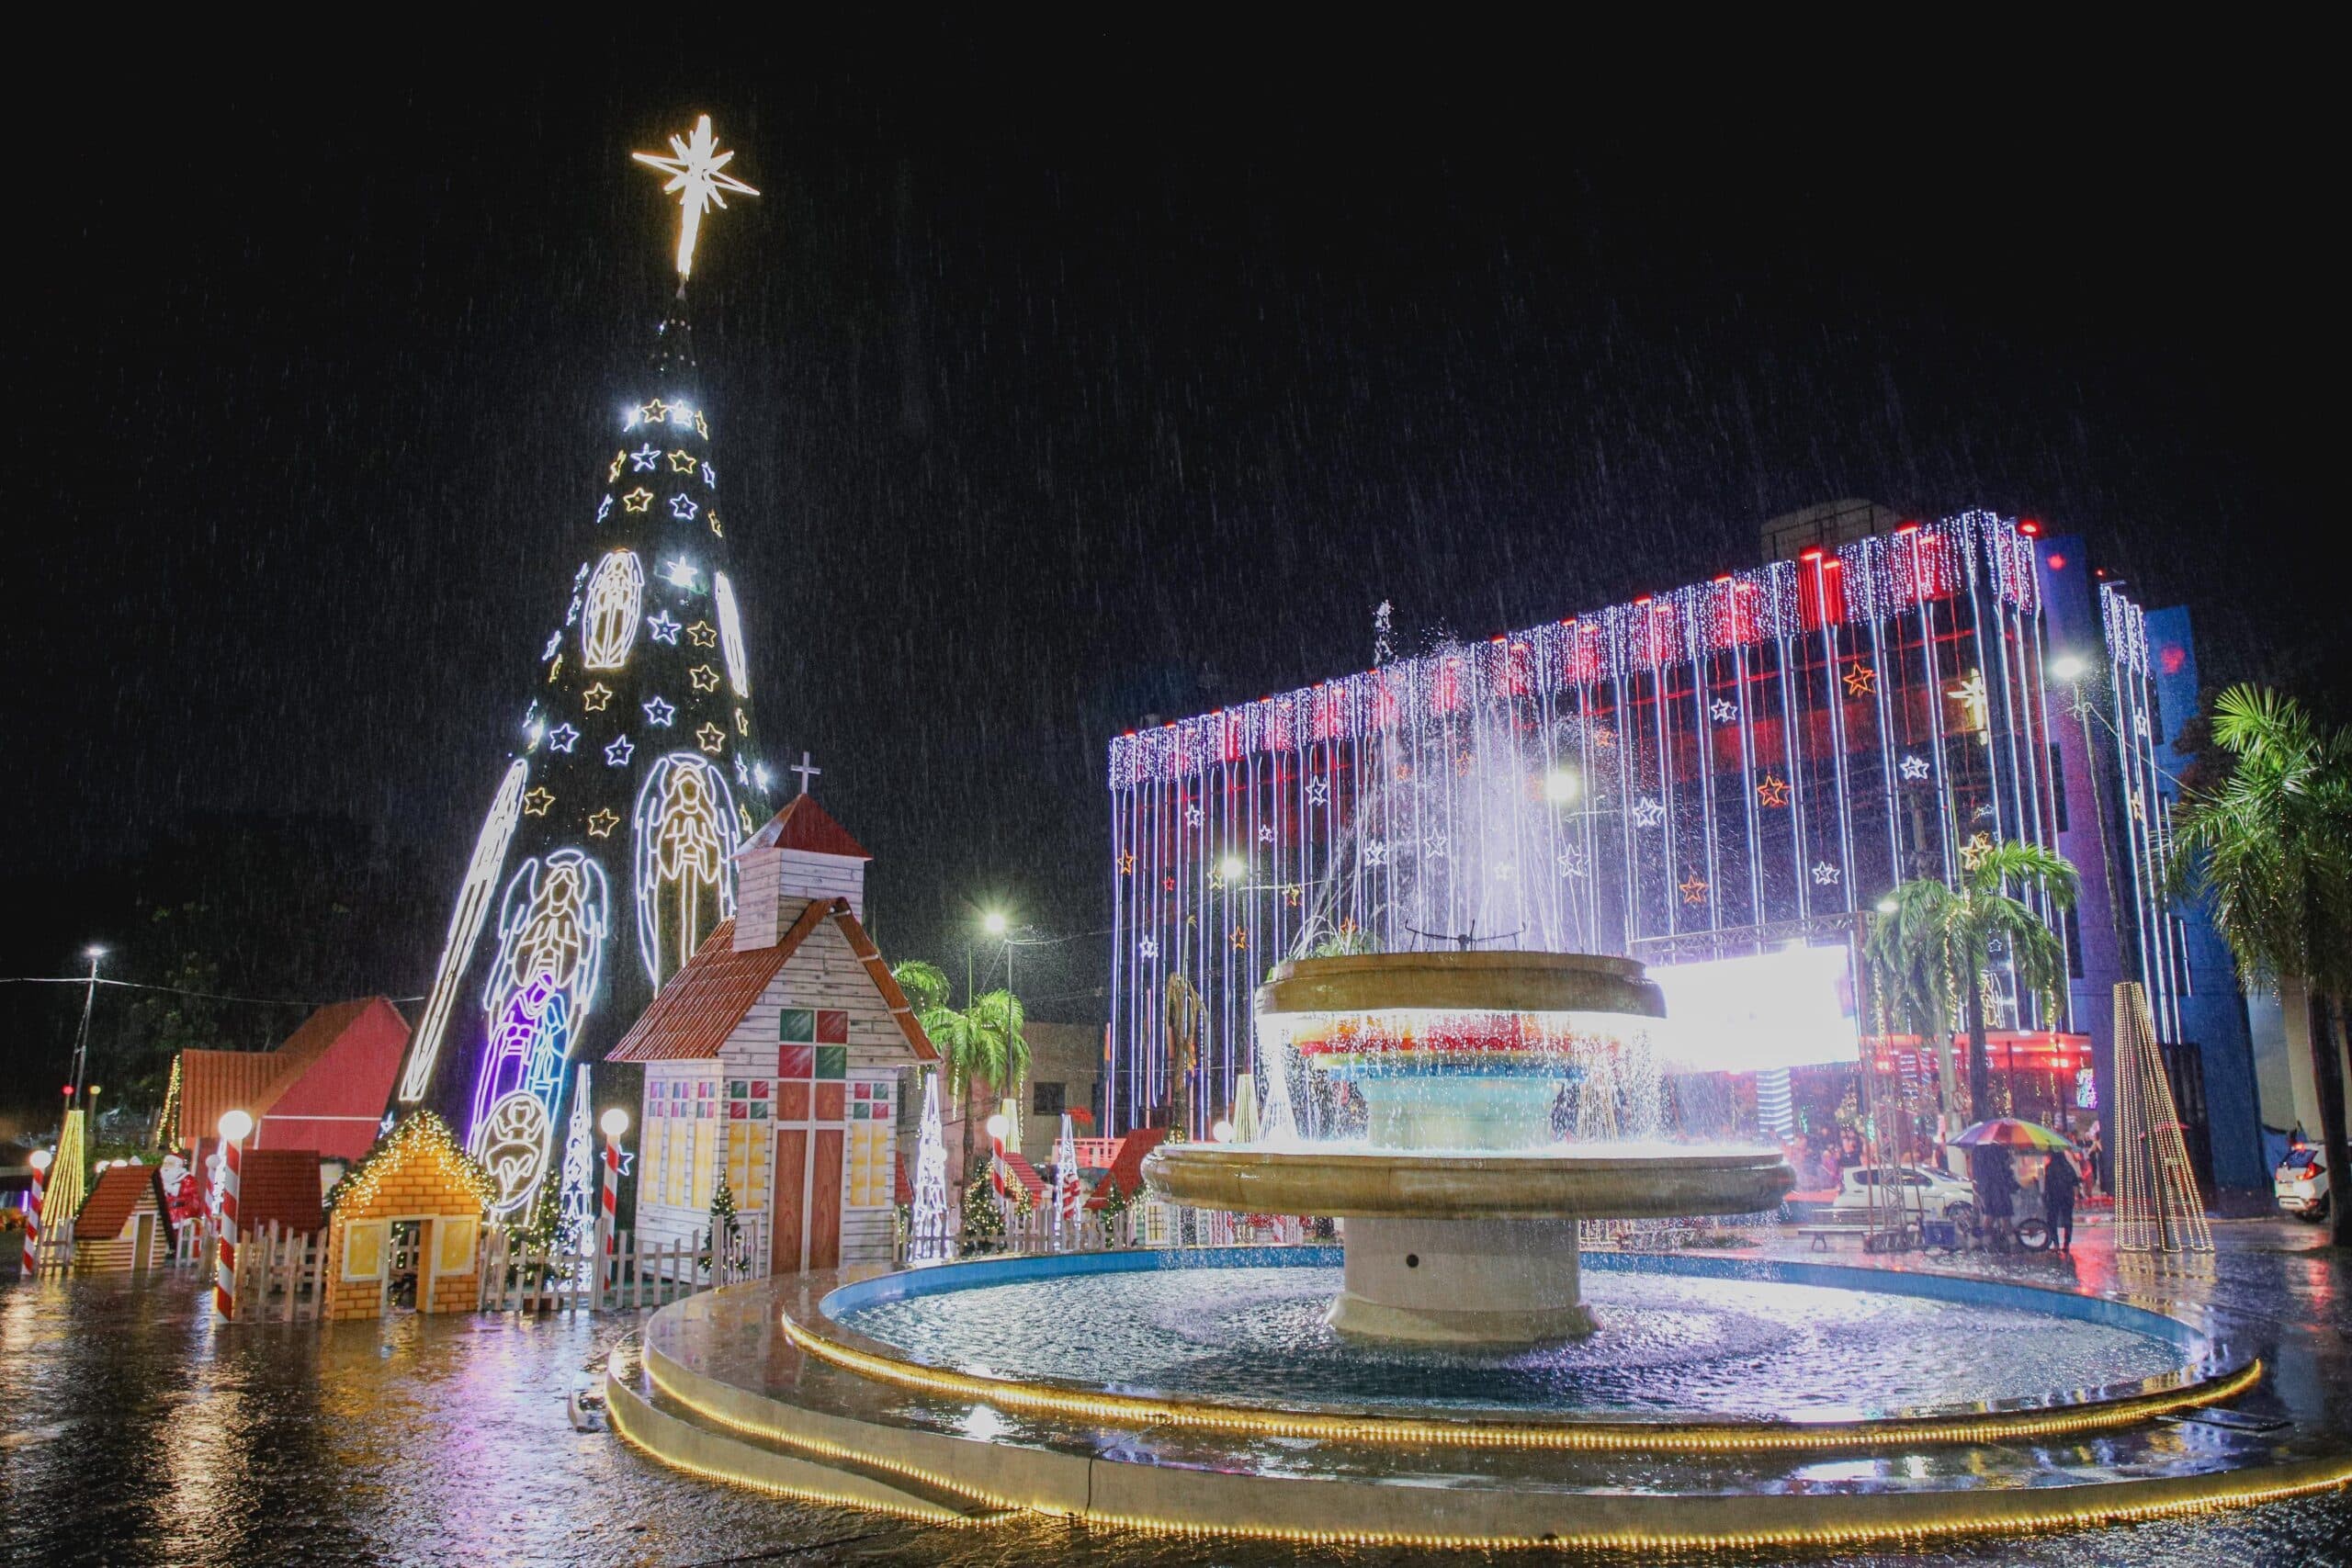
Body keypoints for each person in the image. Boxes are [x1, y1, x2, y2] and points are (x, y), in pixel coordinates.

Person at [2043, 1144, 2082, 1254]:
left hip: (2054, 1197)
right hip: (2067, 1196)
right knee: (2067, 1220)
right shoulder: (2068, 1167)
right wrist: (2077, 1197)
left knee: (2052, 1220)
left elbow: (2047, 1185)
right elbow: (2075, 1183)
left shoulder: (2050, 1167)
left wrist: (2045, 1196)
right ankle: (2066, 1244)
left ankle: (2056, 1244)